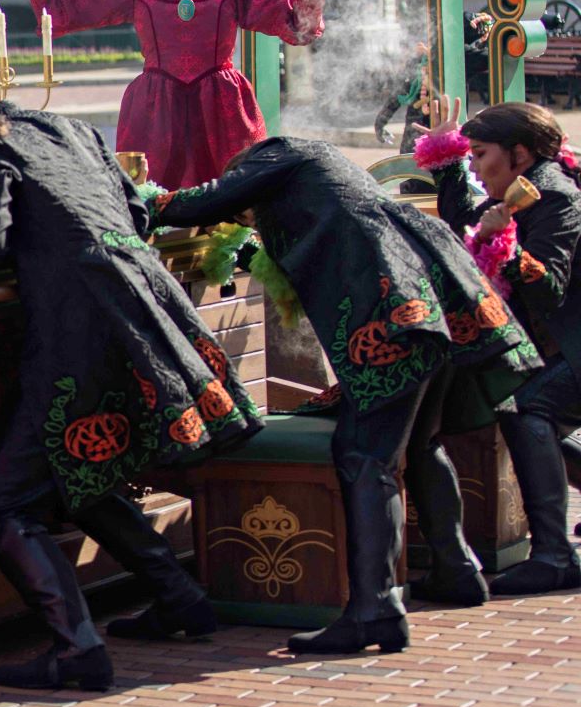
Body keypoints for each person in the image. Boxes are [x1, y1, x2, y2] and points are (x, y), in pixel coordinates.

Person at [0, 95, 264, 692]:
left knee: (3, 508)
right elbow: (138, 216)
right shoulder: (69, 126)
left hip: (79, 322)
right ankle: (179, 597)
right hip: (142, 302)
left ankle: (77, 647)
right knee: (80, 468)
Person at [150, 137, 540, 650]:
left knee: (365, 456)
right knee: (420, 444)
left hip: (393, 306)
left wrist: (134, 195)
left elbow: (200, 202)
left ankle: (374, 609)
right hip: (432, 298)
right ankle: (456, 568)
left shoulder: (279, 153)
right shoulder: (325, 171)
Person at [4, 0, 350, 189]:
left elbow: (300, 28)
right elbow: (55, 13)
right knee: (152, 203)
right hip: (154, 113)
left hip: (222, 110)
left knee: (232, 206)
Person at [415, 99, 581, 594]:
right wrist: (446, 162)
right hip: (565, 343)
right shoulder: (523, 187)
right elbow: (468, 218)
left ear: (520, 154)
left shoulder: (553, 196)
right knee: (523, 405)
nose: (476, 167)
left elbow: (546, 284)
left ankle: (553, 556)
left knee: (530, 409)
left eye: (479, 154)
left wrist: (505, 245)